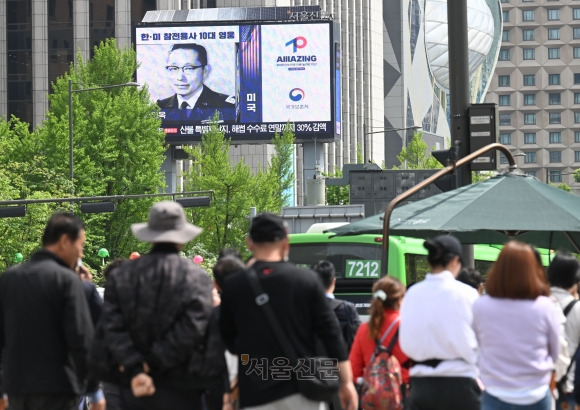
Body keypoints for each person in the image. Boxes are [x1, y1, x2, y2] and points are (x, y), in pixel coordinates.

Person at [219, 212, 358, 410]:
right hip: (304, 390)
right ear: (286, 242)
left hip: (256, 391)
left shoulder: (234, 285)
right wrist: (346, 383)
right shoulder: (307, 280)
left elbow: (229, 339)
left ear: (249, 243)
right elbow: (331, 334)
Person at [97, 200, 214, 410]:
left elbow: (112, 327)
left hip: (132, 385)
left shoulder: (122, 276)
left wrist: (136, 368)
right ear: (182, 238)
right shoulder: (196, 277)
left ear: (150, 235)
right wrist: (152, 361)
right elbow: (193, 328)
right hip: (182, 386)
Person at [0, 212, 105, 410]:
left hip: (16, 389)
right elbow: (81, 339)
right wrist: (94, 390)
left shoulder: (8, 279)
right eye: (80, 245)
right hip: (59, 389)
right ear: (65, 241)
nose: (81, 253)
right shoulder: (67, 280)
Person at [473, 241, 561, 410]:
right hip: (535, 393)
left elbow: (475, 347)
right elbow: (554, 351)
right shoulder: (545, 306)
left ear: (498, 269)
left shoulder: (481, 306)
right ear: (532, 270)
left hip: (494, 393)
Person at [399, 234, 480, 410]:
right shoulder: (467, 294)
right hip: (461, 384)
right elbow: (480, 342)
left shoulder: (412, 294)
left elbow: (405, 343)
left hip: (421, 387)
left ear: (429, 262)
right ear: (455, 261)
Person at [349, 276, 410, 395]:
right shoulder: (408, 326)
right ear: (399, 300)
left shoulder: (364, 329)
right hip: (403, 395)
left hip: (373, 398)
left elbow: (354, 370)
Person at [157, 43, 235, 111]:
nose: (180, 77)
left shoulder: (229, 107)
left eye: (189, 68)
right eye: (174, 68)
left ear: (205, 71)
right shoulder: (159, 108)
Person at [548, 252, 580, 410]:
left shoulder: (536, 302)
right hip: (568, 390)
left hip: (540, 387)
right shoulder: (578, 309)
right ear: (575, 280)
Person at [311, 259, 361, 352]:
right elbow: (359, 341)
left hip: (306, 364)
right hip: (340, 364)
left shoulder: (300, 308)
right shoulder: (346, 308)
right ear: (333, 281)